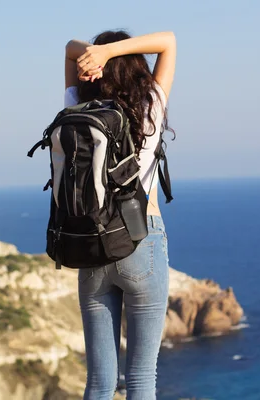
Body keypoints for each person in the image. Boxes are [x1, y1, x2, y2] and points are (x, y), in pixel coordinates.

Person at [63, 30, 176, 400]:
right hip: (142, 241)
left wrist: (92, 55)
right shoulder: (150, 105)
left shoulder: (77, 107)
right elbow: (169, 41)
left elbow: (68, 50)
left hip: (92, 245)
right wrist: (111, 51)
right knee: (142, 379)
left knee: (98, 383)